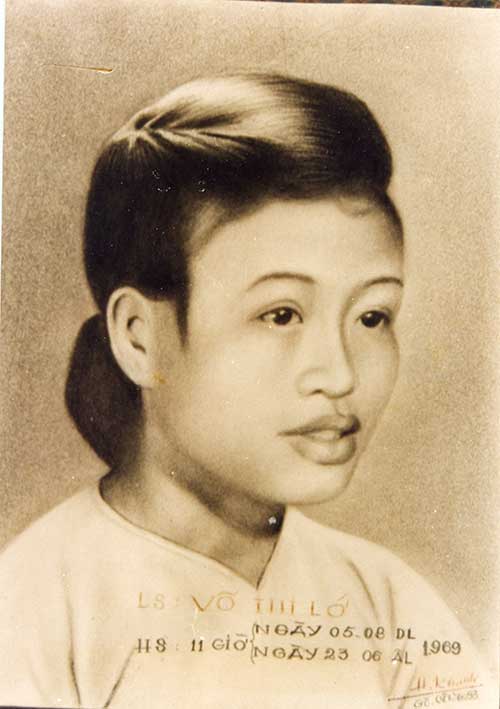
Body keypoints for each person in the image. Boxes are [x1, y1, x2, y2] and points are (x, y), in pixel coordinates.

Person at [0, 73, 494, 708]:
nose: (340, 376)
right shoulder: (36, 609)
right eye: (281, 315)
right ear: (139, 338)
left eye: (372, 317)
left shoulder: (390, 603)